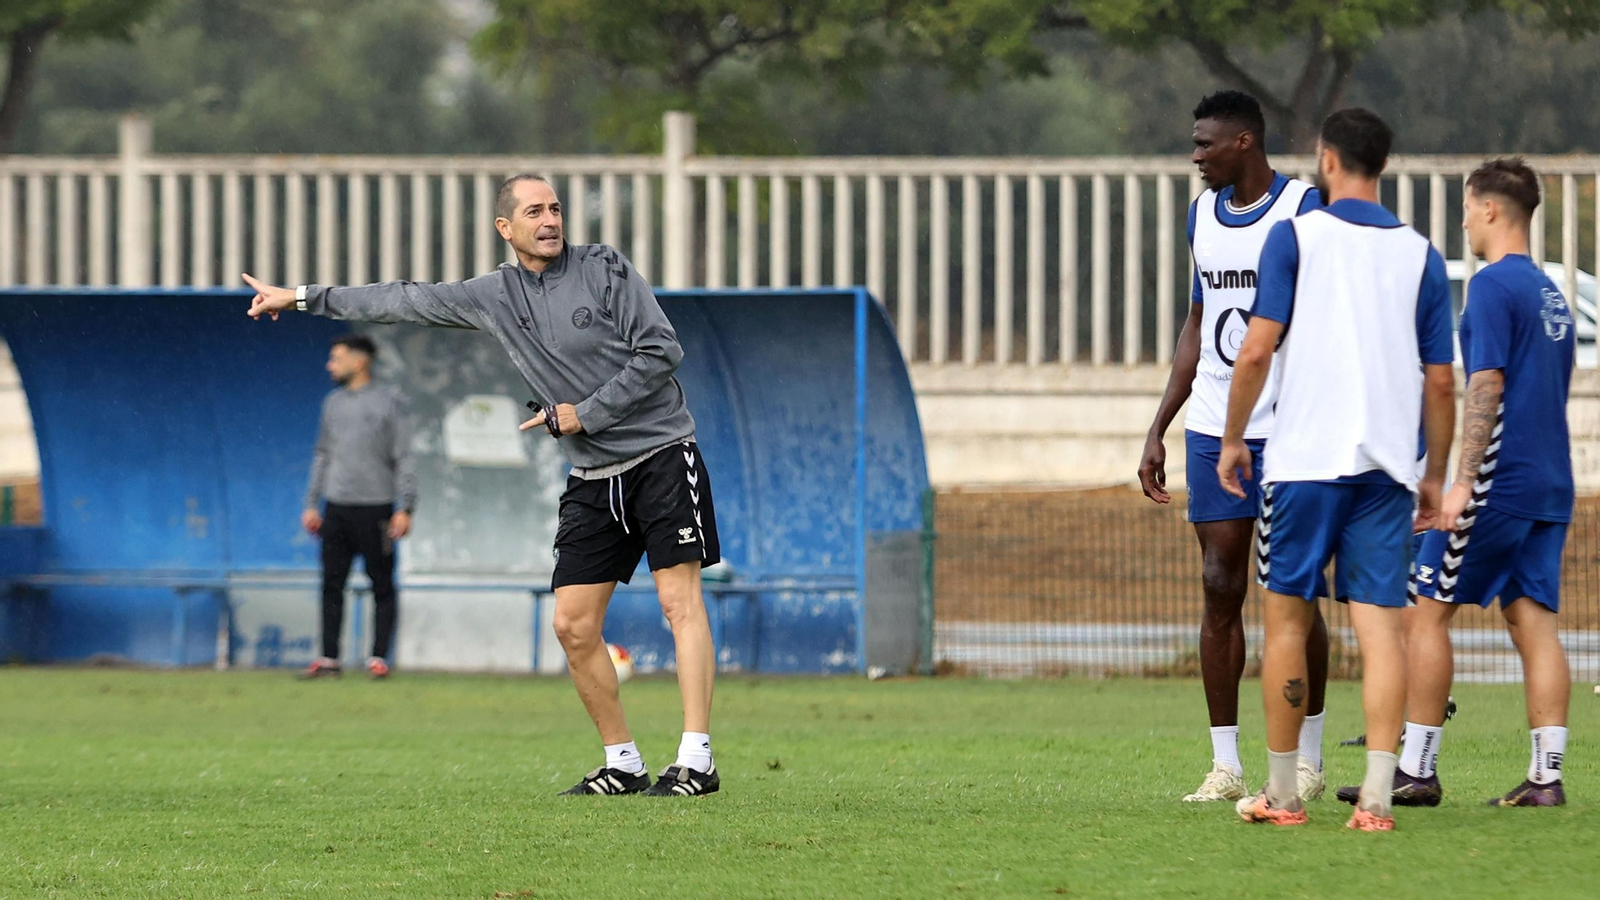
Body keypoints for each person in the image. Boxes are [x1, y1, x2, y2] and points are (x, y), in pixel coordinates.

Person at [243, 174, 722, 798]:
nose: (549, 219)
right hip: (592, 475)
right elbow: (401, 299)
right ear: (506, 228)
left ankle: (696, 760)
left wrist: (585, 412)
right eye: (533, 211)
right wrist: (303, 297)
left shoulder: (605, 267)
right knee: (574, 627)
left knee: (678, 604)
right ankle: (623, 762)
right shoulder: (492, 295)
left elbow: (661, 350)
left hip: (660, 454)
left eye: (555, 208)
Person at [1220, 108, 1456, 831]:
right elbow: (1441, 381)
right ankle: (1378, 800)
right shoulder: (1420, 254)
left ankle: (1283, 796)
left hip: (1302, 462)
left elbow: (1256, 351)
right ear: (1381, 165)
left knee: (1287, 619)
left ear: (1326, 160)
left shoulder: (1295, 237)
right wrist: (1434, 475)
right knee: (1382, 630)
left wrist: (1233, 439)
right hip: (1385, 467)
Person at [1137, 90, 1329, 803]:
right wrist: (1160, 424)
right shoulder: (1201, 217)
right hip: (1214, 426)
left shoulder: (1304, 210)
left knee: (1293, 594)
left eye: (1205, 144)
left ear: (1244, 142)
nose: (1195, 157)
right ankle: (1226, 764)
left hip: (1289, 428)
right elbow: (1198, 321)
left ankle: (1305, 756)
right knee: (1221, 585)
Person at [1366, 157, 1574, 808]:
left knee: (1423, 615)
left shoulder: (1490, 288)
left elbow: (1485, 386)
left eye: (1465, 206)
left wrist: (1460, 484)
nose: (1461, 219)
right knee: (1531, 622)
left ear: (1489, 209)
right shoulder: (1550, 293)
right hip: (1550, 484)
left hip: (1498, 483)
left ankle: (1417, 769)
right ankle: (1546, 778)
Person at [300, 334, 415, 680]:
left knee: (382, 585)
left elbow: (404, 457)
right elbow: (322, 454)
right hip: (336, 507)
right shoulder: (332, 403)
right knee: (331, 584)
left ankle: (378, 658)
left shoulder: (390, 402)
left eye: (337, 358)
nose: (329, 365)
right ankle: (329, 659)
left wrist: (405, 507)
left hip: (376, 508)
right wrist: (311, 503)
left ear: (359, 361)